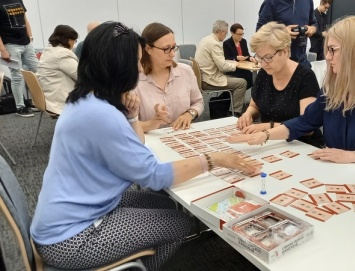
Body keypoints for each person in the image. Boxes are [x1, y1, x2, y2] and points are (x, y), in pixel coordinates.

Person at [30, 21, 256, 271]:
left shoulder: (87, 98)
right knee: (180, 223)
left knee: (166, 205)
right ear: (119, 66)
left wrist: (132, 116)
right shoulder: (100, 114)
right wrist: (214, 159)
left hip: (73, 209)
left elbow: (136, 147)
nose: (140, 67)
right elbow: (154, 176)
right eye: (136, 61)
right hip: (71, 238)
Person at [229, 16, 355, 177]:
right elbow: (304, 122)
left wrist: (353, 155)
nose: (327, 56)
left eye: (333, 50)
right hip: (337, 173)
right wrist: (266, 135)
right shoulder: (333, 89)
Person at [236, 22, 323, 148]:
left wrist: (266, 127)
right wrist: (248, 114)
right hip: (271, 142)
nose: (263, 63)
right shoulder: (264, 73)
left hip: (302, 145)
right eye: (259, 57)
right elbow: (254, 106)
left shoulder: (305, 77)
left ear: (285, 52)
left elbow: (307, 126)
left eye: (268, 57)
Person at [133, 22, 204, 132]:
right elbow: (127, 125)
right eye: (166, 49)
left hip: (183, 137)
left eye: (174, 47)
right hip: (151, 142)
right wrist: (152, 123)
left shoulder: (185, 71)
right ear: (148, 49)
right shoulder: (134, 81)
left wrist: (189, 114)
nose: (172, 54)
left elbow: (198, 102)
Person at [195, 20, 247, 117]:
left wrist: (231, 62)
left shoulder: (205, 40)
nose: (226, 35)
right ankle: (235, 113)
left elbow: (219, 61)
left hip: (204, 77)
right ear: (221, 31)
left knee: (235, 80)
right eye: (226, 33)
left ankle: (227, 109)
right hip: (209, 80)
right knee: (242, 83)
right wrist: (235, 65)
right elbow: (222, 67)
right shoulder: (214, 44)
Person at [0, 0, 38, 117]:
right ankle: (20, 107)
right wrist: (2, 50)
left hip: (26, 43)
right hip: (10, 45)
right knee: (17, 76)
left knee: (37, 70)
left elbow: (25, 19)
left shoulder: (18, 0)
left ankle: (36, 102)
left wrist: (30, 37)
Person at [256, 0, 317, 68]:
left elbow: (313, 23)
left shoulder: (308, 1)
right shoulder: (271, 2)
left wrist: (313, 28)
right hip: (278, 64)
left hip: (301, 61)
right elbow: (259, 33)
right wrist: (282, 32)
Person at [36, 25, 78, 115]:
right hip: (59, 99)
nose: (74, 43)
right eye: (74, 40)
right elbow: (81, 75)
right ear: (68, 40)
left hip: (48, 96)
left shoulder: (48, 50)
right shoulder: (62, 54)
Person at [223, 23, 255, 89]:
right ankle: (232, 94)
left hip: (243, 68)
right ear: (232, 33)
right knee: (249, 77)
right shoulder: (227, 43)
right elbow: (226, 58)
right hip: (233, 69)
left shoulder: (243, 41)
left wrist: (250, 58)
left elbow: (246, 55)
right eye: (239, 34)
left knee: (252, 77)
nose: (241, 36)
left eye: (242, 34)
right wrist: (236, 57)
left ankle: (237, 93)